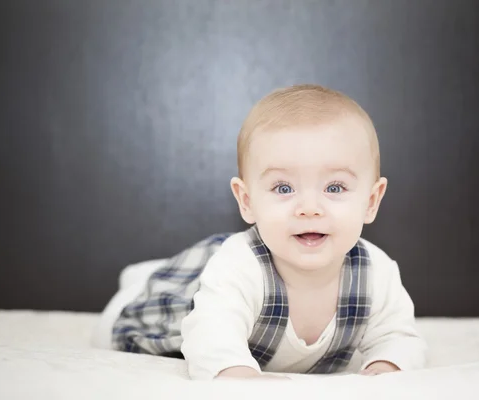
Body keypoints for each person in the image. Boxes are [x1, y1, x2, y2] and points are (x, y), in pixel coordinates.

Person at [111, 84, 427, 380]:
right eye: (284, 187)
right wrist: (237, 375)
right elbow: (211, 333)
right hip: (186, 300)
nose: (309, 207)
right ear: (247, 201)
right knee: (127, 314)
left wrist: (387, 366)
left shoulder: (377, 273)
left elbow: (398, 336)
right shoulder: (240, 265)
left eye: (334, 187)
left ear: (371, 202)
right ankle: (143, 278)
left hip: (225, 273)